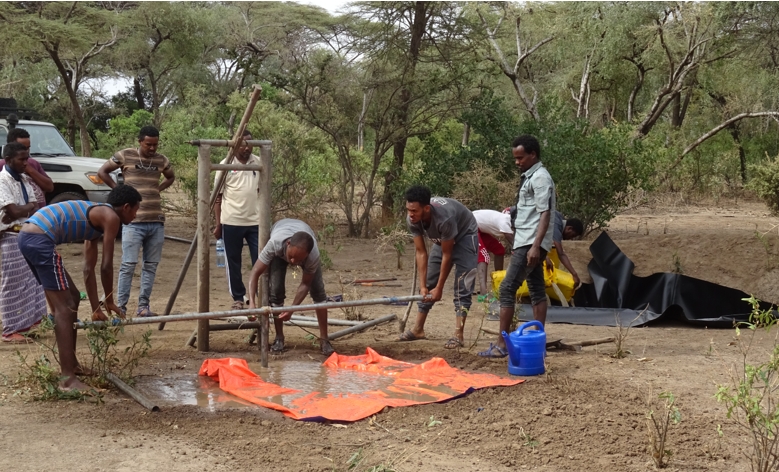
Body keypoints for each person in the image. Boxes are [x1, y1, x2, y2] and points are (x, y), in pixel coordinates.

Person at [17, 185, 141, 391]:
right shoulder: (111, 217)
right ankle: (67, 380)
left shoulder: (96, 217)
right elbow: (106, 266)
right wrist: (109, 301)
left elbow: (88, 269)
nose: (136, 216)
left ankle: (72, 365)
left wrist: (96, 308)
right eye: (136, 210)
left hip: (30, 237)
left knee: (73, 297)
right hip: (39, 239)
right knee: (64, 307)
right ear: (126, 207)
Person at [479, 135, 555, 358]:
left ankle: (502, 344)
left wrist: (536, 246)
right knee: (536, 288)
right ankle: (538, 341)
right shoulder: (531, 176)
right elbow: (531, 210)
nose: (517, 162)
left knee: (507, 288)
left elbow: (545, 213)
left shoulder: (540, 178)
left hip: (530, 241)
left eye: (520, 157)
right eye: (515, 157)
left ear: (533, 154)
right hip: (527, 239)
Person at [97, 125, 175, 317]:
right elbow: (102, 172)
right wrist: (119, 191)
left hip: (156, 220)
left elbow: (170, 177)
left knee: (150, 265)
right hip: (133, 222)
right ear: (140, 142)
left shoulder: (162, 160)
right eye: (148, 144)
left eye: (155, 144)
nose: (152, 148)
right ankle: (121, 307)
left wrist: (157, 189)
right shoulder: (125, 155)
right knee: (128, 264)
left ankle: (143, 307)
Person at [398, 185, 478, 349]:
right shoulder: (412, 219)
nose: (410, 214)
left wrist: (440, 288)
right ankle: (418, 329)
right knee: (429, 282)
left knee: (462, 284)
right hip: (443, 238)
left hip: (464, 234)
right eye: (408, 210)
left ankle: (458, 334)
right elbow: (421, 252)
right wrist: (423, 286)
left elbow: (447, 255)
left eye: (414, 211)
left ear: (426, 208)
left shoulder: (444, 218)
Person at [247, 219, 335, 356]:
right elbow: (255, 273)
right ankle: (279, 338)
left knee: (319, 293)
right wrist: (251, 303)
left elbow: (305, 284)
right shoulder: (275, 244)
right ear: (288, 244)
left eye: (299, 260)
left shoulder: (312, 256)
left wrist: (292, 309)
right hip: (280, 238)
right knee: (276, 292)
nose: (293, 262)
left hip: (304, 233)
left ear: (307, 255)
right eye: (291, 257)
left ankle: (324, 340)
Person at [0, 143, 46, 343]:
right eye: (21, 159)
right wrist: (22, 209)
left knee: (31, 281)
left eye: (27, 158)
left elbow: (34, 206)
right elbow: (13, 211)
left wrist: (21, 209)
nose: (26, 163)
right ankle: (11, 329)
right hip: (9, 236)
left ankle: (26, 325)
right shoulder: (2, 180)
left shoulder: (24, 180)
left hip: (25, 233)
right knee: (13, 283)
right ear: (8, 160)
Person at [214, 130, 261, 310]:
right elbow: (218, 197)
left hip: (255, 221)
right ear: (235, 145)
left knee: (260, 259)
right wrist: (218, 224)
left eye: (249, 144)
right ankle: (238, 298)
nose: (246, 148)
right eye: (242, 144)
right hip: (231, 221)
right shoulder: (225, 165)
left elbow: (261, 191)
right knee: (233, 262)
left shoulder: (258, 162)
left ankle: (258, 296)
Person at [1, 128, 54, 208]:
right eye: (22, 147)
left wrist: (30, 170)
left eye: (28, 148)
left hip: (38, 213)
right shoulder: (4, 166)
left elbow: (49, 187)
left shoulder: (33, 163)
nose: (26, 151)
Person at [472, 209, 515, 297]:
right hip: (471, 225)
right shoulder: (505, 221)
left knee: (499, 250)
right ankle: (483, 292)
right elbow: (515, 243)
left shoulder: (509, 220)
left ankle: (498, 282)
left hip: (479, 228)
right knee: (484, 256)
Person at [547, 211, 584, 287]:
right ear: (569, 228)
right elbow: (561, 254)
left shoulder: (559, 217)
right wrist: (574, 275)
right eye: (572, 235)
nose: (570, 238)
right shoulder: (556, 228)